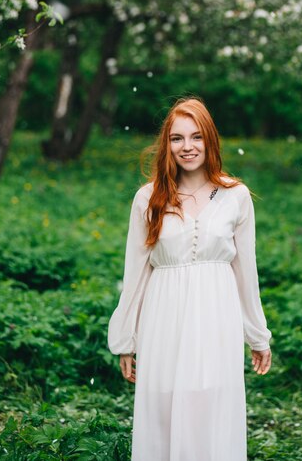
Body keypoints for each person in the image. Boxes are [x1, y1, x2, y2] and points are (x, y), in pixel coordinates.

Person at [108, 96, 272, 461]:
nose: (187, 147)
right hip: (165, 317)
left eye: (196, 137)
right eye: (177, 138)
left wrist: (257, 334)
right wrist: (125, 338)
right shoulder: (148, 199)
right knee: (164, 406)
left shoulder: (235, 196)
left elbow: (246, 271)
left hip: (218, 318)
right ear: (166, 144)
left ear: (209, 141)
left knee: (211, 403)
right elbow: (135, 272)